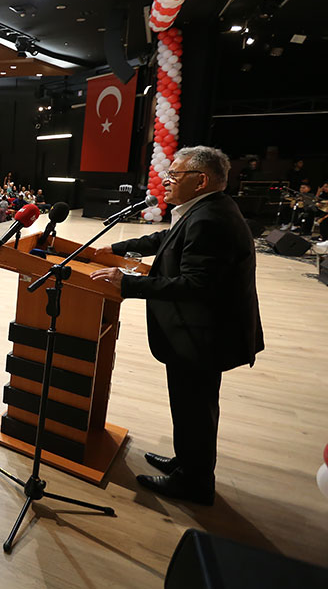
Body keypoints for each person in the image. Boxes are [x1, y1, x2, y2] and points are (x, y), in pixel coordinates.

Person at [91, 146, 263, 505]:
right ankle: (187, 462)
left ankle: (194, 482)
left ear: (200, 180)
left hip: (203, 337)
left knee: (196, 409)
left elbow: (196, 285)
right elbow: (162, 241)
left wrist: (127, 283)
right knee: (191, 408)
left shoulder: (209, 219)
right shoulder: (206, 209)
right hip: (199, 333)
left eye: (175, 174)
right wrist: (115, 248)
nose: (166, 181)